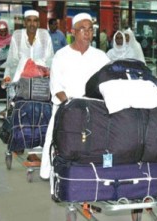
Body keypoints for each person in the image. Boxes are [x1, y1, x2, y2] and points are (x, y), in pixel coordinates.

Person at [40, 13, 110, 180]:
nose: (87, 33)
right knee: (58, 143)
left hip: (94, 111)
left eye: (90, 29)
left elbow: (109, 82)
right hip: (66, 109)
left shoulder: (101, 57)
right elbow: (56, 87)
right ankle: (54, 175)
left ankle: (102, 174)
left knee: (102, 144)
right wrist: (73, 108)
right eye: (82, 29)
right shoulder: (61, 56)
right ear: (73, 32)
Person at [0, 9, 54, 120]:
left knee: (40, 116)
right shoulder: (17, 35)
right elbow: (11, 59)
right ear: (24, 22)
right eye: (29, 20)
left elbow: (50, 59)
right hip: (21, 80)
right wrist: (7, 77)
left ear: (38, 23)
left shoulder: (44, 35)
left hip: (40, 81)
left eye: (35, 21)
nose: (32, 24)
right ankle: (12, 106)